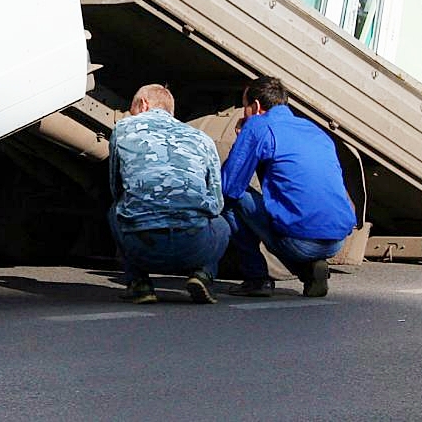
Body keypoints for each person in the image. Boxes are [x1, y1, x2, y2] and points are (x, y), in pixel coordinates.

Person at [221, 77, 356, 298]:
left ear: (255, 107)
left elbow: (229, 186)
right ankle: (310, 270)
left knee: (233, 201)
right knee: (288, 216)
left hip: (299, 240)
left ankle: (256, 278)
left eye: (244, 106)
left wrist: (241, 140)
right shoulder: (313, 130)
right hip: (336, 240)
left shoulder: (257, 125)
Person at [107, 84, 230, 305]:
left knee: (114, 210)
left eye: (132, 108)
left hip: (142, 245)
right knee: (222, 224)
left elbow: (116, 188)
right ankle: (203, 274)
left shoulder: (123, 128)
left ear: (143, 104)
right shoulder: (201, 138)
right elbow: (217, 202)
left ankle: (140, 284)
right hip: (194, 246)